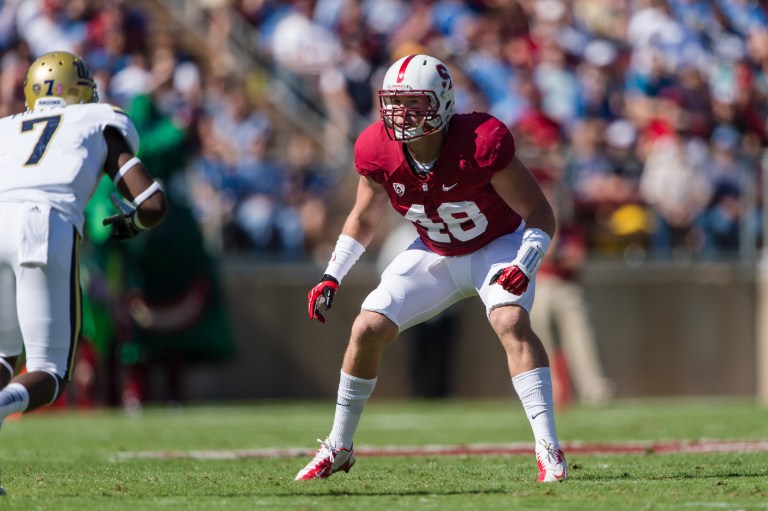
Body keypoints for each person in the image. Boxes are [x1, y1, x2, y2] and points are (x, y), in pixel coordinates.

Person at [296, 54, 567, 483]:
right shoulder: (376, 148)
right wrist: (332, 274)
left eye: (414, 103)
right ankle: (339, 446)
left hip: (497, 245)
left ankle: (548, 449)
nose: (401, 113)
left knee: (510, 320)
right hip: (435, 250)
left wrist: (525, 261)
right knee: (365, 329)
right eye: (394, 103)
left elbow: (539, 214)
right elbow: (364, 218)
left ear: (441, 104)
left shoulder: (481, 141)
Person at [0, 50, 167, 490]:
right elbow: (152, 202)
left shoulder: (6, 128)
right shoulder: (97, 119)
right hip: (43, 223)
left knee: (1, 356)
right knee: (49, 373)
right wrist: (133, 221)